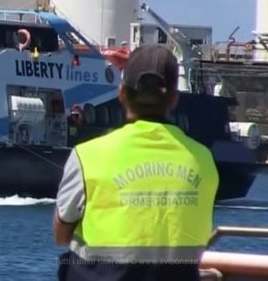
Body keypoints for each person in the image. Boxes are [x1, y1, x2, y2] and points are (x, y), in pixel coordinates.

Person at [53, 44, 219, 281]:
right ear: (173, 100)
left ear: (122, 94)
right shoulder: (203, 160)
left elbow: (61, 235)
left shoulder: (86, 156)